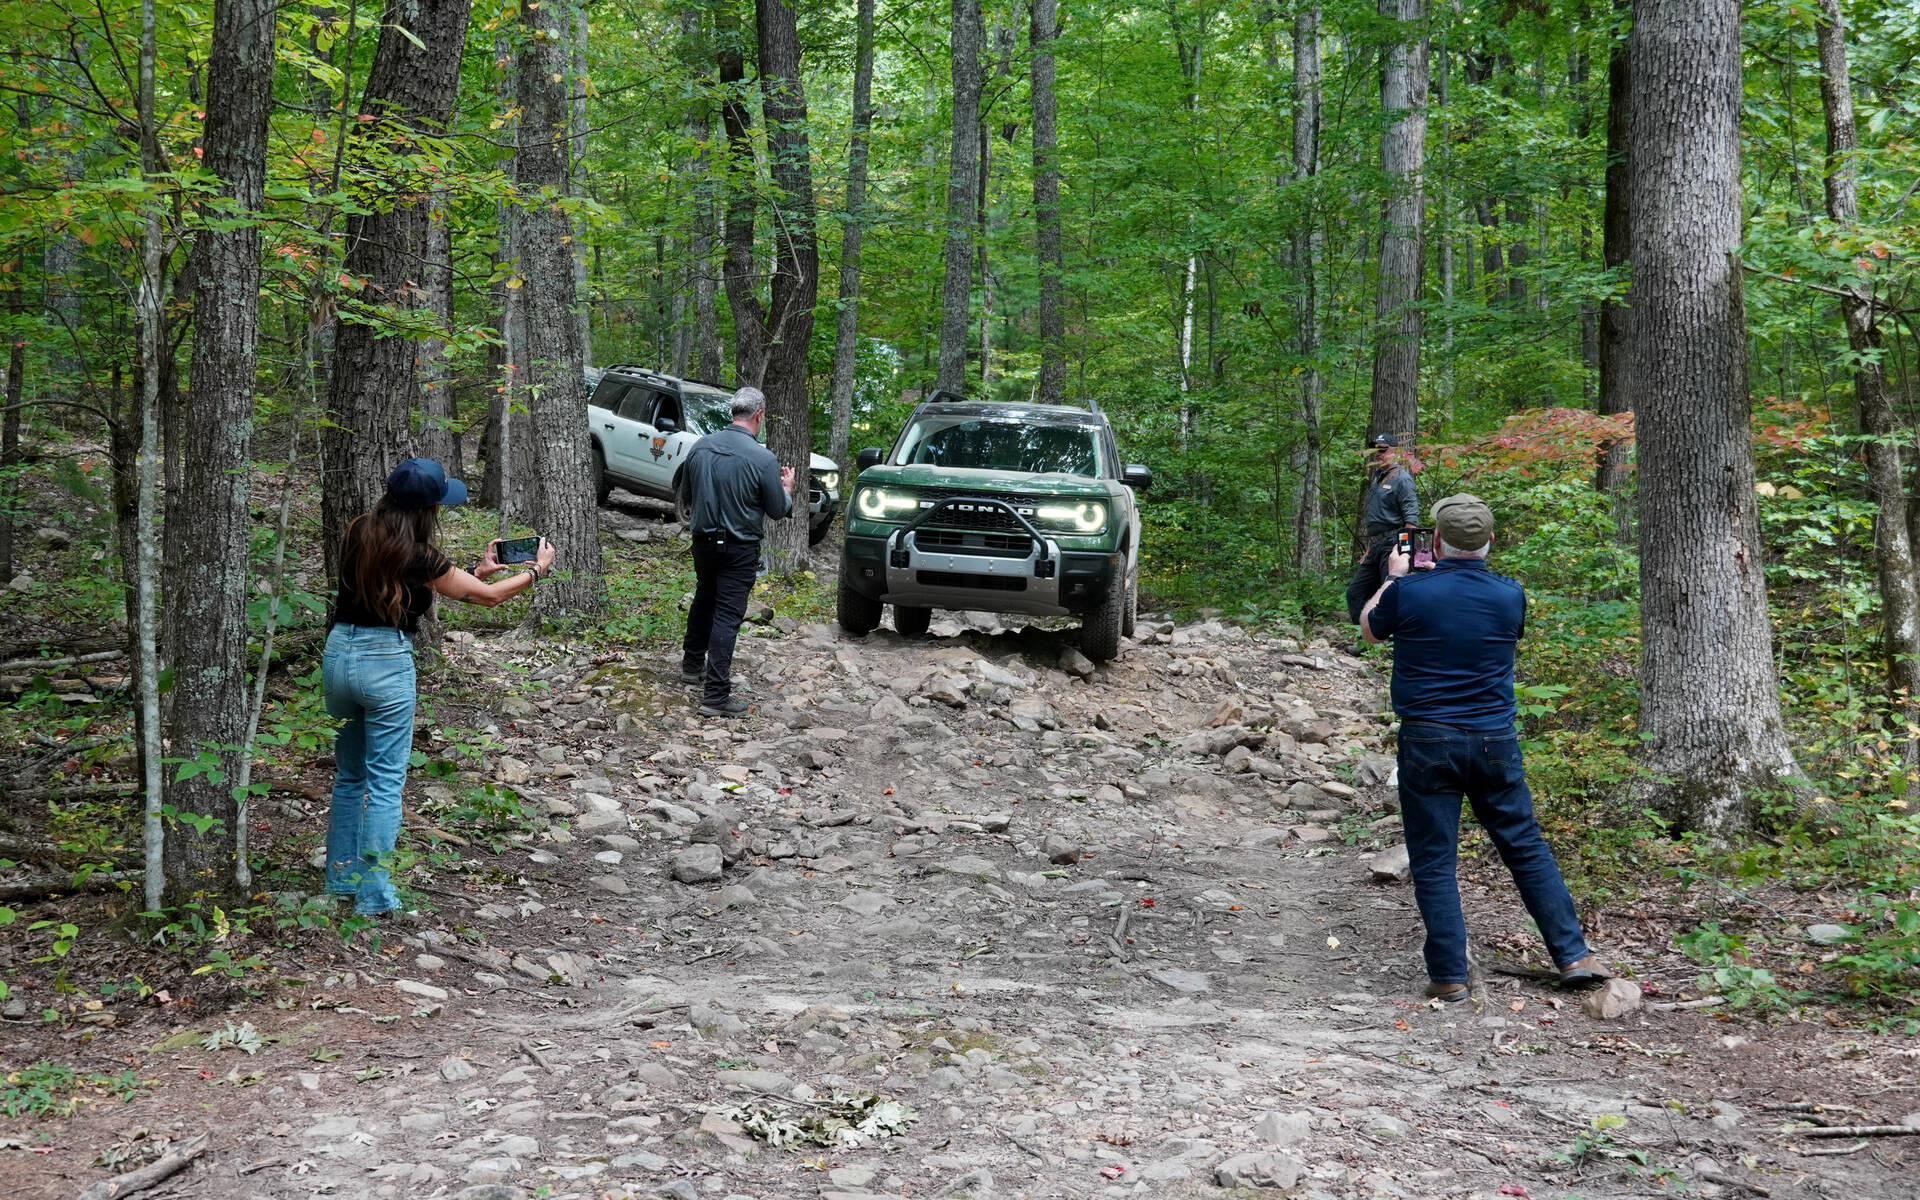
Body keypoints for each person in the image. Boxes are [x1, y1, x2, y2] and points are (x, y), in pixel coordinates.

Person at [1359, 493, 1609, 1002]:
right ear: (1490, 541)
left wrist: (1392, 577)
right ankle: (1574, 956)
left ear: (1433, 541)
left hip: (1428, 738)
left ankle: (1450, 976)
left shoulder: (1408, 592)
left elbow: (1368, 629)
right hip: (1496, 738)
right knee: (1525, 846)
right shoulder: (1510, 595)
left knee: (1434, 859)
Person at [324, 458, 555, 917]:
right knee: (386, 781)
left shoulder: (359, 530)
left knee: (350, 776)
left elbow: (430, 581)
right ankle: (373, 896)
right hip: (385, 662)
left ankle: (341, 878)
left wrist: (479, 570)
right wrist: (536, 571)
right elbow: (484, 599)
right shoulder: (419, 553)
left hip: (338, 655)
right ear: (427, 510)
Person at [680, 386, 797, 718]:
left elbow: (687, 497)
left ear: (733, 412)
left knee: (705, 597)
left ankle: (691, 665)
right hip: (739, 546)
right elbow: (777, 510)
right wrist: (787, 490)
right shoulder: (763, 458)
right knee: (728, 615)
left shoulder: (700, 448)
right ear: (758, 415)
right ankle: (715, 695)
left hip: (703, 542)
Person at [1345, 433, 1421, 625]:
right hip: (1377, 544)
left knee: (1389, 594)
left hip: (1393, 544)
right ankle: (1366, 640)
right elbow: (1377, 523)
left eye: (1383, 450)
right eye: (1376, 450)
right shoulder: (1378, 479)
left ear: (1396, 452)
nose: (1378, 454)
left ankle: (1392, 647)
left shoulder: (1402, 479)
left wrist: (1403, 551)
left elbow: (1411, 521)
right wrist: (1370, 548)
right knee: (1356, 592)